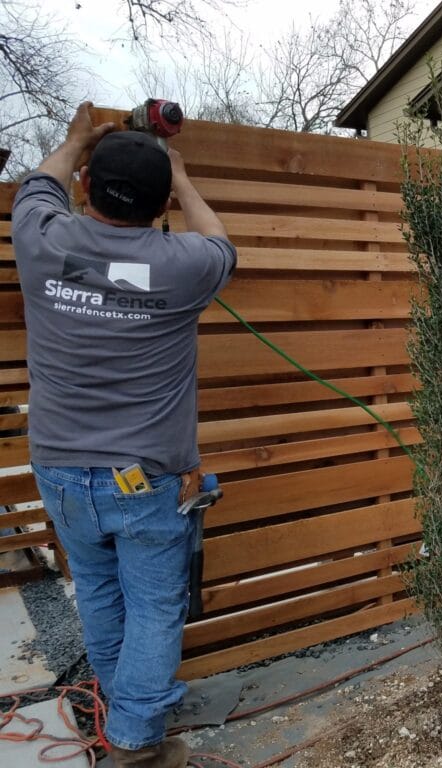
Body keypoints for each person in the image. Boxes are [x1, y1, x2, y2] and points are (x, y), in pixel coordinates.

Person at [12, 102, 236, 768]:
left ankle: (122, 704)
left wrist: (77, 140)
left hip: (60, 468)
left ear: (84, 185)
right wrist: (184, 180)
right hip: (143, 477)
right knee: (155, 603)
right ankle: (137, 742)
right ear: (159, 201)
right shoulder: (183, 266)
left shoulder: (42, 239)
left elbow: (38, 185)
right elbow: (220, 242)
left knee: (101, 590)